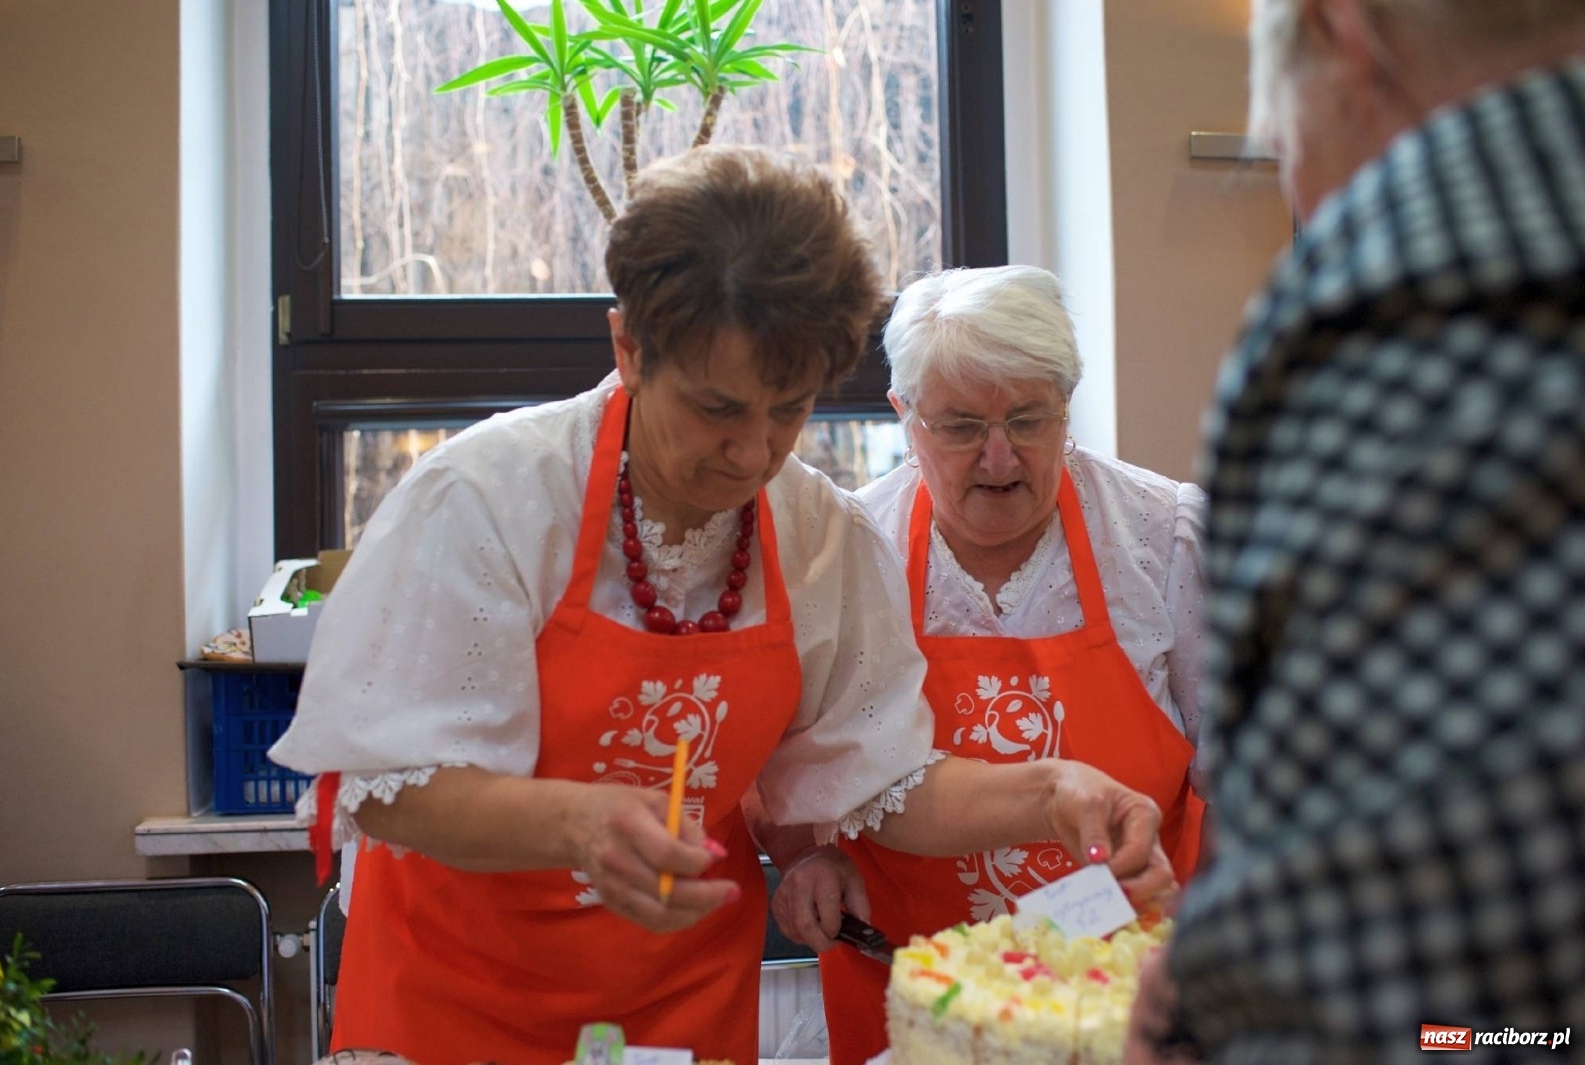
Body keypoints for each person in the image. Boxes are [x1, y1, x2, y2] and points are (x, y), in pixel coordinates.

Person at [267, 146, 1175, 1065]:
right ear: (628, 347)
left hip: (679, 1013)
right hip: (457, 1010)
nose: (753, 452)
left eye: (789, 409)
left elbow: (883, 784)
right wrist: (579, 821)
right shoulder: (488, 499)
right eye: (716, 408)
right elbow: (389, 790)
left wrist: (1053, 789)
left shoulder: (816, 532)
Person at [1124, 2, 1585, 1063]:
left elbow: (1424, 1014)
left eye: (1286, 149)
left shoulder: (1419, 291)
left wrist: (1219, 1015)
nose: (1300, 196)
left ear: (1344, 35)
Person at [754, 265, 1210, 1065]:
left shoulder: (1161, 538)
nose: (1000, 457)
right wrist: (806, 858)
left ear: (1068, 407)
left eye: (1030, 420)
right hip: (910, 993)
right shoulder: (854, 553)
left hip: (1124, 999)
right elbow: (785, 767)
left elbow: (1255, 779)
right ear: (904, 416)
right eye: (961, 426)